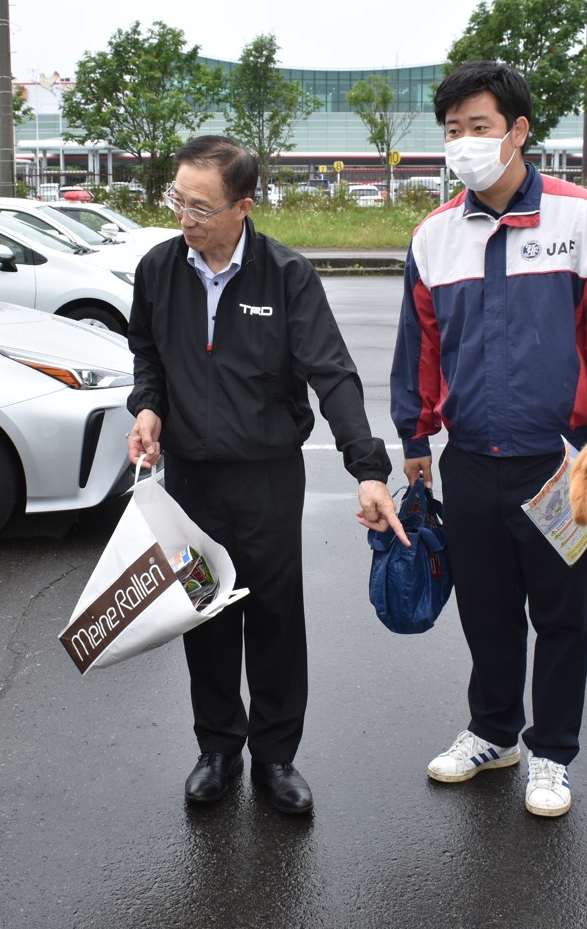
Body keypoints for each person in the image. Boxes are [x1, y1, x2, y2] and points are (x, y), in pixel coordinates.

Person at [389, 60, 587, 817]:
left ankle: (552, 753)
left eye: (480, 126)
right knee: (486, 611)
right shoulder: (434, 236)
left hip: (564, 465)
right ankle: (494, 732)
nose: (463, 143)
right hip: (472, 462)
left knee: (563, 617)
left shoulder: (585, 221)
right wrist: (415, 435)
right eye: (452, 130)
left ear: (518, 131)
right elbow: (420, 346)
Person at [125, 134, 405, 816]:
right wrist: (148, 407)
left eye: (200, 207)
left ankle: (276, 756)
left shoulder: (285, 275)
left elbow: (332, 373)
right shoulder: (158, 269)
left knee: (275, 616)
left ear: (243, 205)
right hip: (190, 481)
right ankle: (218, 748)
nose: (184, 219)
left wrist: (367, 467)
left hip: (267, 479)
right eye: (177, 201)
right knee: (205, 612)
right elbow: (147, 353)